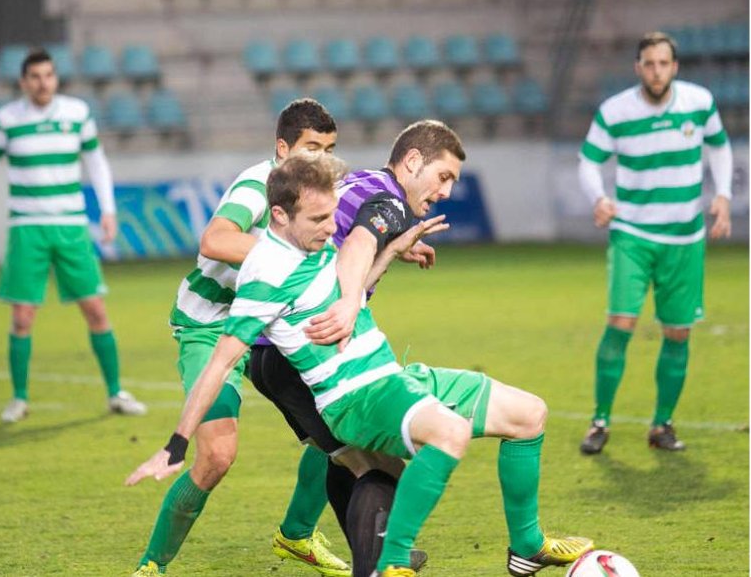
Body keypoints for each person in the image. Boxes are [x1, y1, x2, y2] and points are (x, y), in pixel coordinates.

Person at [127, 153, 595, 577]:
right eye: (319, 218)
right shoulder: (265, 275)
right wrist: (175, 445)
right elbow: (220, 363)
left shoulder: (310, 244)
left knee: (530, 413)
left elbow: (343, 295)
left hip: (391, 377)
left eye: (332, 214)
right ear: (279, 215)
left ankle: (527, 548)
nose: (332, 227)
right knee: (446, 435)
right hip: (356, 397)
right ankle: (393, 565)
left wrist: (392, 251)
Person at [132, 99, 350, 577]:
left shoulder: (318, 190)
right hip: (210, 322)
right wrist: (283, 254)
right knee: (216, 456)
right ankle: (153, 566)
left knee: (335, 423)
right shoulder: (258, 184)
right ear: (282, 148)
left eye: (328, 149)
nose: (320, 158)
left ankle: (296, 534)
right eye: (311, 148)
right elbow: (215, 239)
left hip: (272, 327)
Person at [248, 119, 466, 577]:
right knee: (383, 469)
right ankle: (379, 563)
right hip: (302, 352)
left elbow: (341, 245)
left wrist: (391, 252)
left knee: (350, 458)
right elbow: (356, 249)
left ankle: (377, 556)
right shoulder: (390, 201)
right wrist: (350, 305)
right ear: (412, 161)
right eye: (443, 176)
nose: (446, 191)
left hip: (271, 352)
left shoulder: (364, 182)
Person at [0, 48, 146, 423]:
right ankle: (19, 398)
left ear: (56, 78)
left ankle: (115, 392)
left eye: (48, 75)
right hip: (26, 228)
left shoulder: (76, 114)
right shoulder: (7, 119)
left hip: (71, 226)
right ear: (23, 82)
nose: (42, 82)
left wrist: (107, 209)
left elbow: (96, 162)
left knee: (95, 308)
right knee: (23, 317)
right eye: (35, 76)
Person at [576, 31, 733, 455]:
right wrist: (600, 198)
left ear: (675, 67)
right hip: (633, 233)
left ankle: (662, 425)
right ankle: (600, 420)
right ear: (638, 67)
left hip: (685, 237)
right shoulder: (616, 111)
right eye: (649, 63)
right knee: (621, 322)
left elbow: (720, 148)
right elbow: (589, 159)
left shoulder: (699, 103)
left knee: (678, 333)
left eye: (663, 63)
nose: (656, 70)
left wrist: (723, 195)